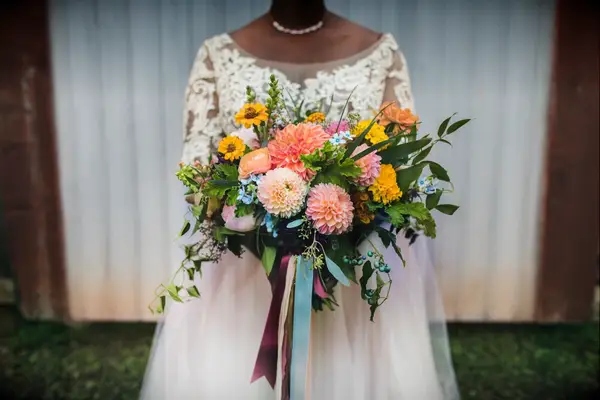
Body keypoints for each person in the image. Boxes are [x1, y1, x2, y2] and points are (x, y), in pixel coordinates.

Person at [141, 0, 460, 398]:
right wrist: (264, 233)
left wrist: (342, 227)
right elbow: (197, 173)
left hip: (350, 271)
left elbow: (398, 162)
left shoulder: (382, 53)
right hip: (247, 270)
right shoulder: (217, 55)